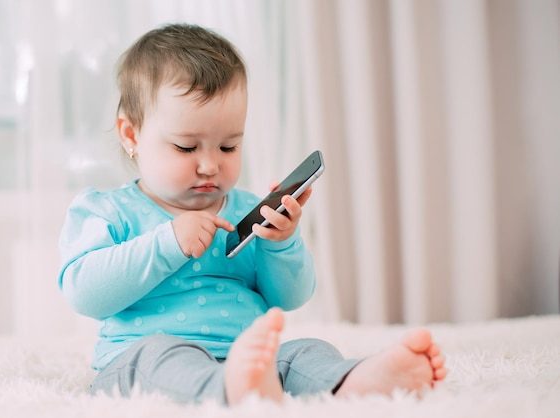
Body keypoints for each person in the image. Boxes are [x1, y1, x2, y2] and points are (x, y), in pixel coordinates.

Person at [58, 23, 446, 406]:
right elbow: (84, 293)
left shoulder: (247, 210)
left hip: (250, 357)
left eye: (228, 147)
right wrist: (168, 242)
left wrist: (282, 243)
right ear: (131, 136)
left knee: (305, 351)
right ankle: (227, 388)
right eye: (186, 147)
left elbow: (290, 297)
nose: (209, 165)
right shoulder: (108, 210)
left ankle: (352, 381)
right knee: (160, 355)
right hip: (141, 360)